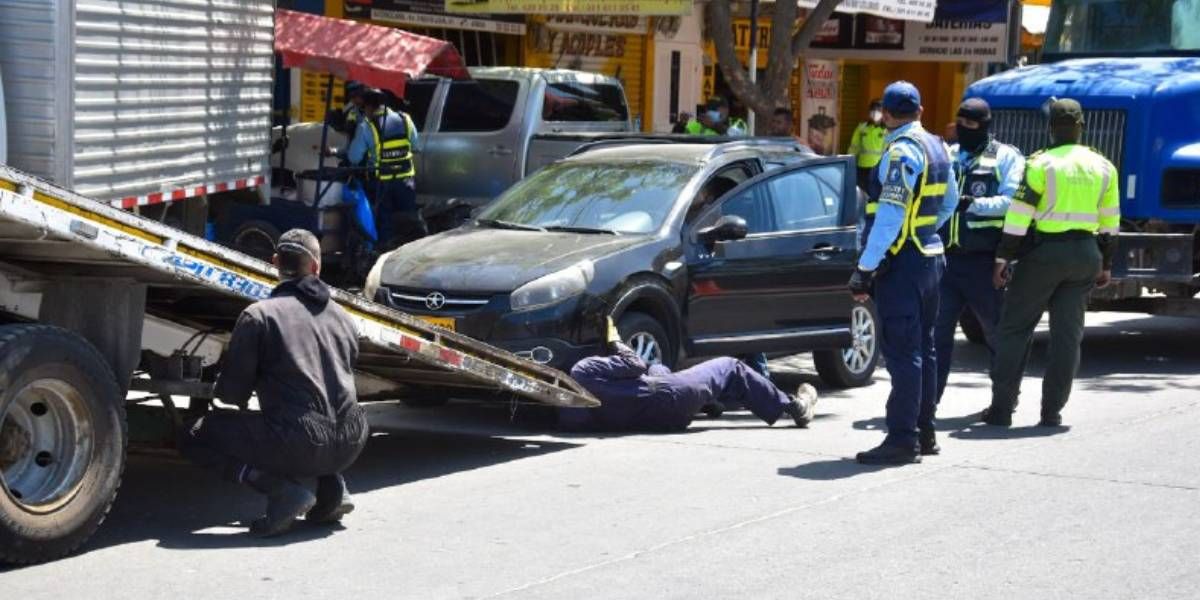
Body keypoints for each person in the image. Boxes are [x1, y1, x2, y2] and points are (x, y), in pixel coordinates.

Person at [180, 229, 368, 537]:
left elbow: (231, 395)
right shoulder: (345, 318)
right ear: (317, 267)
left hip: (299, 440)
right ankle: (332, 490)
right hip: (352, 440)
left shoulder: (259, 316)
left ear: (276, 262)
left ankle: (282, 491)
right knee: (313, 421)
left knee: (194, 433)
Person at [982, 98, 1119, 428]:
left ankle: (1001, 410)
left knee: (1015, 328)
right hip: (1086, 255)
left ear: (1051, 129)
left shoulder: (1040, 164)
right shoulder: (1103, 166)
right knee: (1067, 337)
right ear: (1081, 127)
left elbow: (1018, 216)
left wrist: (1004, 256)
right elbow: (1110, 222)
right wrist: (1106, 263)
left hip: (1045, 255)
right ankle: (1052, 412)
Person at [848, 81, 958, 465]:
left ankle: (902, 439)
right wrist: (924, 230)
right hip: (930, 257)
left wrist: (866, 266)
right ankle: (924, 431)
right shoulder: (937, 147)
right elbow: (950, 202)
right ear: (921, 111)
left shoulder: (901, 151)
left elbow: (890, 215)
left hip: (904, 263)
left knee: (904, 354)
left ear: (887, 116)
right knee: (924, 349)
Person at [559, 318, 817, 432]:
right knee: (730, 366)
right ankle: (794, 407)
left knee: (658, 369)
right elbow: (634, 363)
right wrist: (615, 341)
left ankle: (708, 401)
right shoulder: (583, 370)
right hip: (672, 397)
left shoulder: (570, 410)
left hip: (659, 419)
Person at [933, 98, 1025, 413]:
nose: (963, 129)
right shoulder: (949, 155)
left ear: (985, 126)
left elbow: (1013, 202)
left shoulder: (1006, 157)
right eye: (959, 123)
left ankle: (1004, 400)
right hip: (946, 261)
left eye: (970, 125)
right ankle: (926, 405)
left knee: (997, 333)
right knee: (936, 334)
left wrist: (973, 203)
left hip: (985, 262)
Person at [346, 88, 426, 250]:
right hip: (406, 182)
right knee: (409, 222)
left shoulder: (366, 127)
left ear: (368, 107)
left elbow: (353, 157)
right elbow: (416, 147)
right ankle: (411, 252)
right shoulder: (405, 120)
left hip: (383, 184)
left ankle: (386, 255)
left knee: (386, 226)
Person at [846, 99, 887, 190]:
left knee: (875, 195)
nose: (875, 113)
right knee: (861, 194)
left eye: (878, 110)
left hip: (879, 168)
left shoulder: (886, 130)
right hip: (862, 167)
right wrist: (849, 163)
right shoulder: (862, 128)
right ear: (869, 112)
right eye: (873, 110)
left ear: (883, 113)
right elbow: (853, 147)